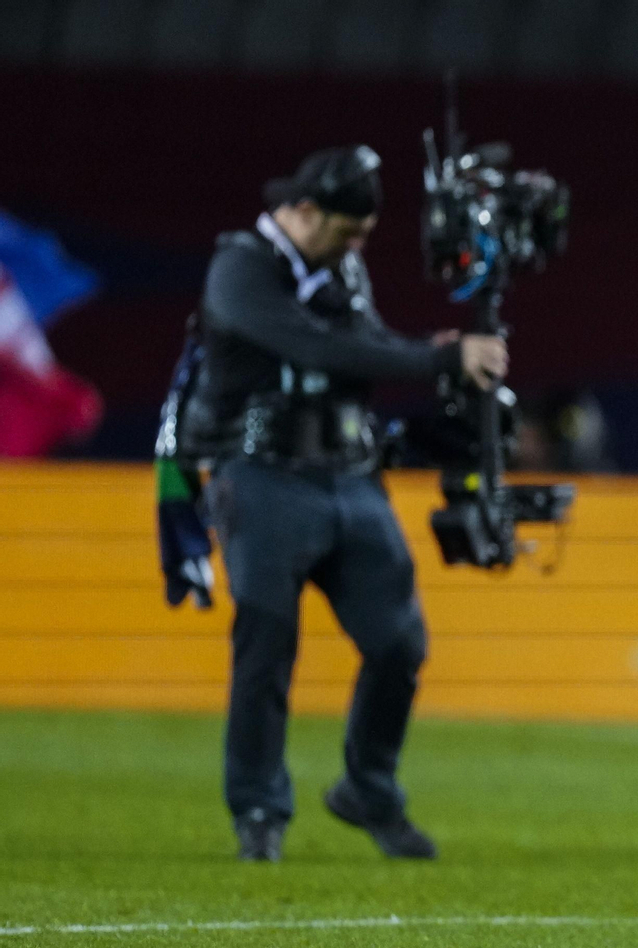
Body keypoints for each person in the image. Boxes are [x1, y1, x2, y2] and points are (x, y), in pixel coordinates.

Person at [187, 146, 508, 862]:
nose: (357, 247)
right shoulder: (240, 268)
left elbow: (364, 343)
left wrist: (431, 351)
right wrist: (436, 359)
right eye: (347, 232)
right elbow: (313, 345)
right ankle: (259, 808)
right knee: (267, 640)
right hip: (262, 474)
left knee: (399, 642)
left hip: (349, 474)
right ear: (304, 212)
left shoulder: (341, 268)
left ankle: (369, 787)